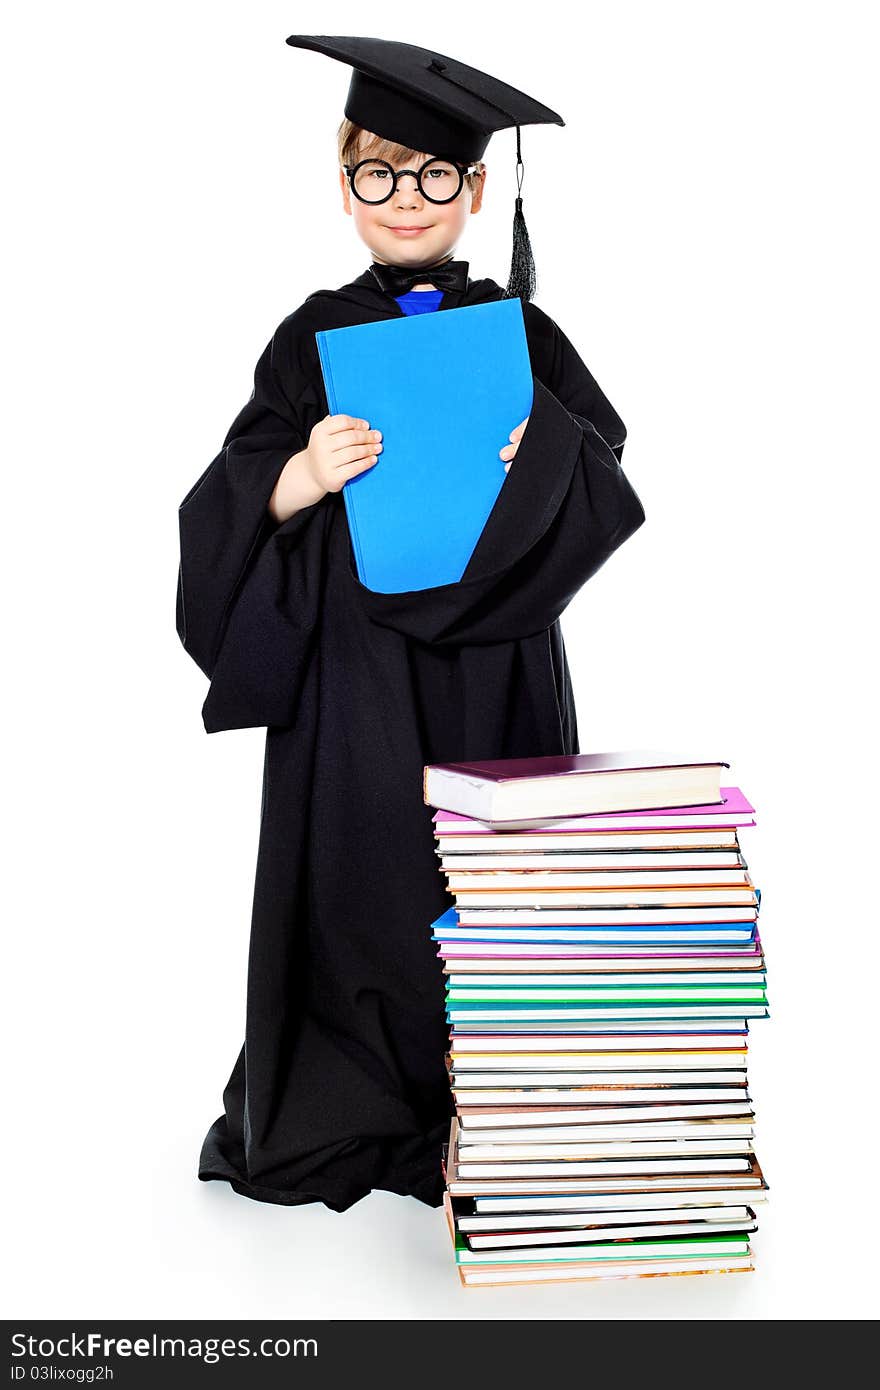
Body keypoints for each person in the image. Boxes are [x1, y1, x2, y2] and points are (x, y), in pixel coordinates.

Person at [175, 35, 646, 1213]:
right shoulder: (310, 335)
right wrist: (298, 474)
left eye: (435, 175)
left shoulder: (520, 335)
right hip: (355, 671)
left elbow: (604, 467)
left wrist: (532, 457)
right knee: (361, 865)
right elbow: (230, 492)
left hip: (494, 658)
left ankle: (490, 1105)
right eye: (379, 173)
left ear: (476, 191)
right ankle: (354, 1099)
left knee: (484, 880)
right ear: (344, 187)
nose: (407, 198)